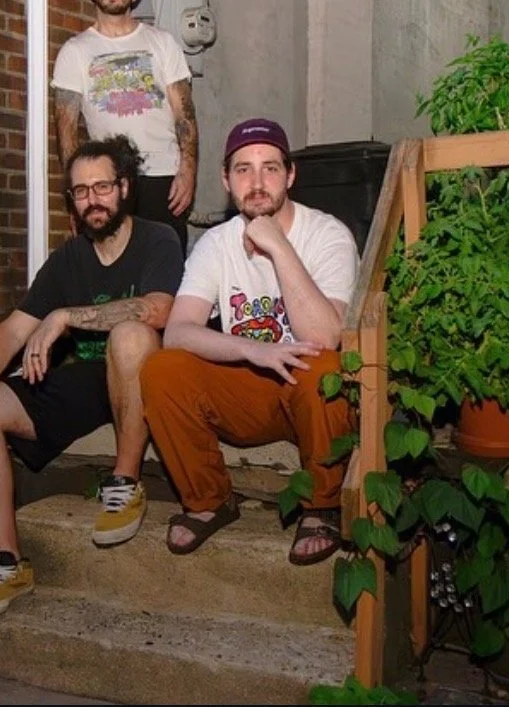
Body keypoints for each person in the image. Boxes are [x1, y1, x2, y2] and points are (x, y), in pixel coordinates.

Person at [0, 135, 184, 619]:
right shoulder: (68, 259)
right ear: (72, 202)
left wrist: (65, 317)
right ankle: (8, 560)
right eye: (80, 191)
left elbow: (158, 309)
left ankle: (124, 483)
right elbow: (14, 329)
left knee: (129, 336)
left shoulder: (159, 238)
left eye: (102, 187)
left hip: (146, 375)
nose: (93, 199)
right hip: (88, 382)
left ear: (124, 188)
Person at [140, 118, 360, 566]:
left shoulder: (328, 235)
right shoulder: (216, 244)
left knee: (322, 365)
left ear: (291, 175)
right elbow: (179, 331)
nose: (256, 182)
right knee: (161, 369)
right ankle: (208, 500)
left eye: (270, 168)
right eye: (243, 169)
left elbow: (325, 335)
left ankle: (321, 506)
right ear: (225, 180)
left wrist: (279, 248)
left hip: (310, 392)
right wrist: (253, 350)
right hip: (249, 389)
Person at [52, 0, 198, 254]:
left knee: (166, 275)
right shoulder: (74, 52)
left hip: (163, 179)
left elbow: (185, 114)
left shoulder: (163, 43)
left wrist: (188, 171)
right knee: (111, 274)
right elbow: (65, 132)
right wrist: (77, 193)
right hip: (106, 185)